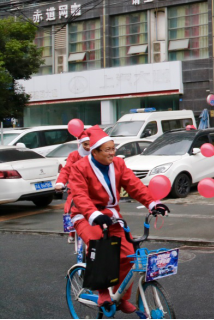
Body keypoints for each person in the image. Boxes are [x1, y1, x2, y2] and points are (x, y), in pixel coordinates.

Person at [69, 126, 169, 312]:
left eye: (113, 148)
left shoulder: (118, 165)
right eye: (108, 150)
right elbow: (79, 195)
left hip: (111, 216)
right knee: (98, 245)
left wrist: (152, 204)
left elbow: (134, 185)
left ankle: (121, 296)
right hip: (85, 215)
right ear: (95, 151)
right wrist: (93, 214)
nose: (112, 153)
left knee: (129, 255)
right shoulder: (79, 168)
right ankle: (102, 293)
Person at [55, 130, 91, 243]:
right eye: (85, 144)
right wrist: (60, 183)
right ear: (80, 144)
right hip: (75, 188)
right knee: (68, 209)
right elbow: (66, 169)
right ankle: (71, 232)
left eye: (90, 144)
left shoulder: (96, 154)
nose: (88, 147)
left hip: (92, 189)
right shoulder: (74, 155)